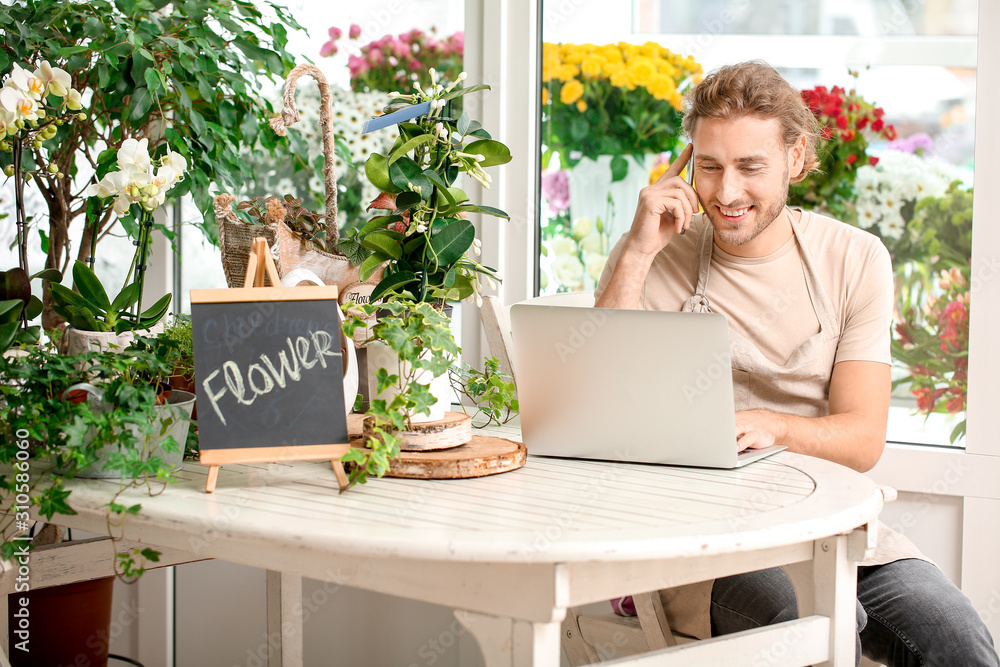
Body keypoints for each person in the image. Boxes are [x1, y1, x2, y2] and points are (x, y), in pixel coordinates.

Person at [594, 60, 998, 666]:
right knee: (803, 624)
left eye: (750, 167)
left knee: (956, 640)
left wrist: (772, 426)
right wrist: (638, 253)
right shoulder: (655, 252)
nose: (726, 193)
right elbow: (598, 399)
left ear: (797, 157)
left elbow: (862, 438)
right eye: (709, 167)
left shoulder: (856, 259)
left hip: (836, 536)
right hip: (703, 546)